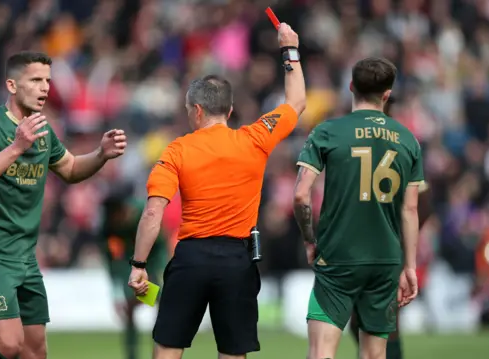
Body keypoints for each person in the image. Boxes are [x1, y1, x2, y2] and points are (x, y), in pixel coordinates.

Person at [127, 23, 305, 359]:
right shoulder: (255, 138)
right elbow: (297, 102)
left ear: (196, 110)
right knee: (233, 352)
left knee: (167, 348)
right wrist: (289, 49)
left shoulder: (176, 150)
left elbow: (153, 211)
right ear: (230, 109)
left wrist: (139, 264)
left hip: (191, 257)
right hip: (237, 260)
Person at [0, 51, 127, 359]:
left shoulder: (44, 131)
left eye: (48, 81)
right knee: (9, 343)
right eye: (35, 80)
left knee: (35, 351)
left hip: (24, 256)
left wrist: (101, 154)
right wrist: (16, 147)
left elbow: (71, 169)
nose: (45, 88)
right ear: (12, 85)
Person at [293, 57, 424, 359]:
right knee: (375, 355)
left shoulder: (327, 132)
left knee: (322, 352)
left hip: (338, 256)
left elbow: (301, 195)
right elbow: (410, 209)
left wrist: (309, 239)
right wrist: (409, 266)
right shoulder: (408, 140)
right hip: (385, 260)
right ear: (387, 94)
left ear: (351, 87)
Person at [347, 97, 433, 359]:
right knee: (365, 321)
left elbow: (423, 203)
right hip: (373, 244)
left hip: (378, 246)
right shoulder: (403, 143)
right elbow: (424, 204)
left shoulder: (368, 142)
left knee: (383, 322)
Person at [100, 186, 168, 359]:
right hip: (130, 269)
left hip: (151, 266)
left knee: (164, 307)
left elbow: (160, 247)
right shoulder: (108, 227)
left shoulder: (143, 215)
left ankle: (162, 350)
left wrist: (160, 272)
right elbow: (112, 260)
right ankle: (132, 355)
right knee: (129, 309)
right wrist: (117, 292)